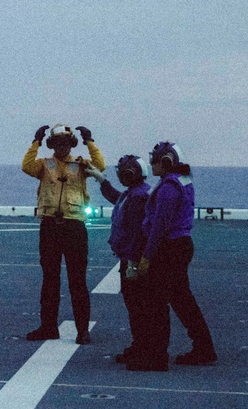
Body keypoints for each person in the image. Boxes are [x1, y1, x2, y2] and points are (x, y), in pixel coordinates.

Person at [131, 142, 217, 371]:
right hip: (181, 245)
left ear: (166, 162)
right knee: (182, 301)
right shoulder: (183, 180)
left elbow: (159, 225)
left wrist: (147, 257)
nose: (151, 165)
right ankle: (204, 348)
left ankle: (157, 357)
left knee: (158, 302)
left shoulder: (168, 188)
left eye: (155, 161)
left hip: (170, 249)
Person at [21, 124, 105, 344]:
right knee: (50, 280)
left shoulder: (81, 164)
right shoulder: (44, 165)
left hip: (74, 227)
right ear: (51, 144)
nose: (62, 146)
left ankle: (82, 331)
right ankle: (48, 327)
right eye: (57, 143)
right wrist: (35, 142)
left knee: (78, 281)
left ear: (71, 143)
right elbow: (26, 166)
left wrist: (90, 142)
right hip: (49, 227)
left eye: (66, 142)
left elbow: (100, 166)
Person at [86, 155, 153, 365]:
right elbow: (117, 197)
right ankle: (139, 346)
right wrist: (100, 179)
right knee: (136, 306)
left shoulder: (138, 197)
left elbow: (136, 233)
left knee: (137, 307)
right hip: (130, 258)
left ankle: (142, 348)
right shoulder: (134, 194)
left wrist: (133, 262)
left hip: (132, 260)